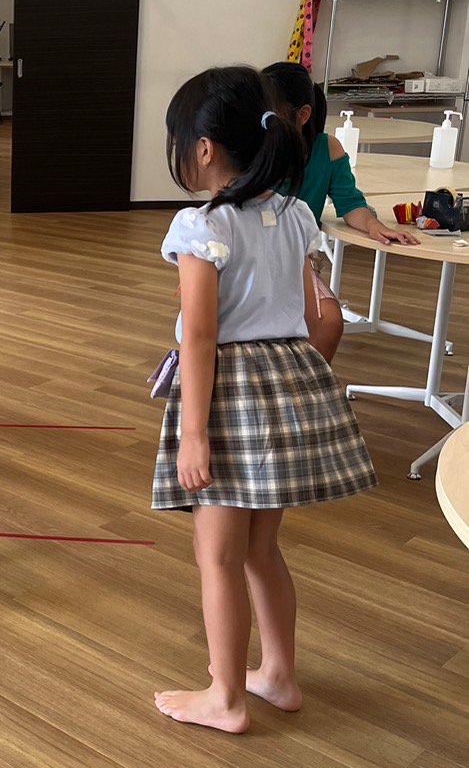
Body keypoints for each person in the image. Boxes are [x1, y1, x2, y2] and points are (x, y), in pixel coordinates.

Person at [152, 65, 377, 734]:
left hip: (228, 396)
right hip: (284, 382)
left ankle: (225, 696)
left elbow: (199, 336)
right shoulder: (296, 215)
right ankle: (277, 673)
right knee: (260, 550)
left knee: (218, 555)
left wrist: (194, 433)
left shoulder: (201, 225)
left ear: (202, 148)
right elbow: (311, 315)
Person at [263, 61, 417, 362]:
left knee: (329, 321)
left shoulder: (328, 148)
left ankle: (307, 383)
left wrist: (373, 225)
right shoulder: (255, 149)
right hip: (252, 255)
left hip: (296, 260)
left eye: (270, 111)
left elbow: (350, 203)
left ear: (303, 115)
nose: (261, 118)